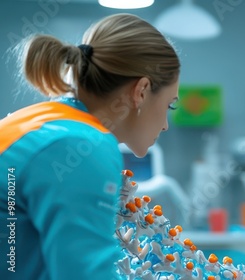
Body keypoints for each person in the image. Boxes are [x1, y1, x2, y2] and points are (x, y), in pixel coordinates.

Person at [0, 13, 180, 279]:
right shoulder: (83, 145)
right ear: (141, 90)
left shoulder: (38, 121)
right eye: (169, 104)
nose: (165, 125)